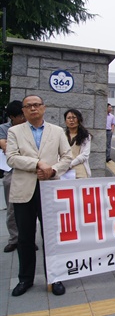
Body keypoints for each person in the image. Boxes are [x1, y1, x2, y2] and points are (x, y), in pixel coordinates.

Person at [6, 95, 72, 297]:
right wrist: (37, 164)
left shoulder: (57, 131)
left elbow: (67, 157)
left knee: (52, 236)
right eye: (29, 106)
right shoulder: (14, 131)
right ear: (23, 111)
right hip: (24, 190)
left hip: (49, 188)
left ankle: (55, 277)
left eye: (37, 105)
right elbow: (11, 158)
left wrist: (53, 170)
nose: (33, 108)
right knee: (25, 237)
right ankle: (25, 279)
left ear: (44, 108)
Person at [0, 100, 26, 253]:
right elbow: (5, 146)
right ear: (11, 117)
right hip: (11, 171)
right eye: (19, 116)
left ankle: (27, 238)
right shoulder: (4, 129)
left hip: (28, 172)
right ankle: (14, 239)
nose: (23, 118)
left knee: (29, 208)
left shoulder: (29, 127)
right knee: (11, 208)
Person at [63, 109, 92, 178]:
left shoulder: (86, 136)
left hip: (80, 171)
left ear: (79, 119)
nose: (71, 120)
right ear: (65, 121)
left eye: (74, 117)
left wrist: (70, 164)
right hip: (64, 171)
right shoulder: (61, 135)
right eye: (69, 118)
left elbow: (85, 155)